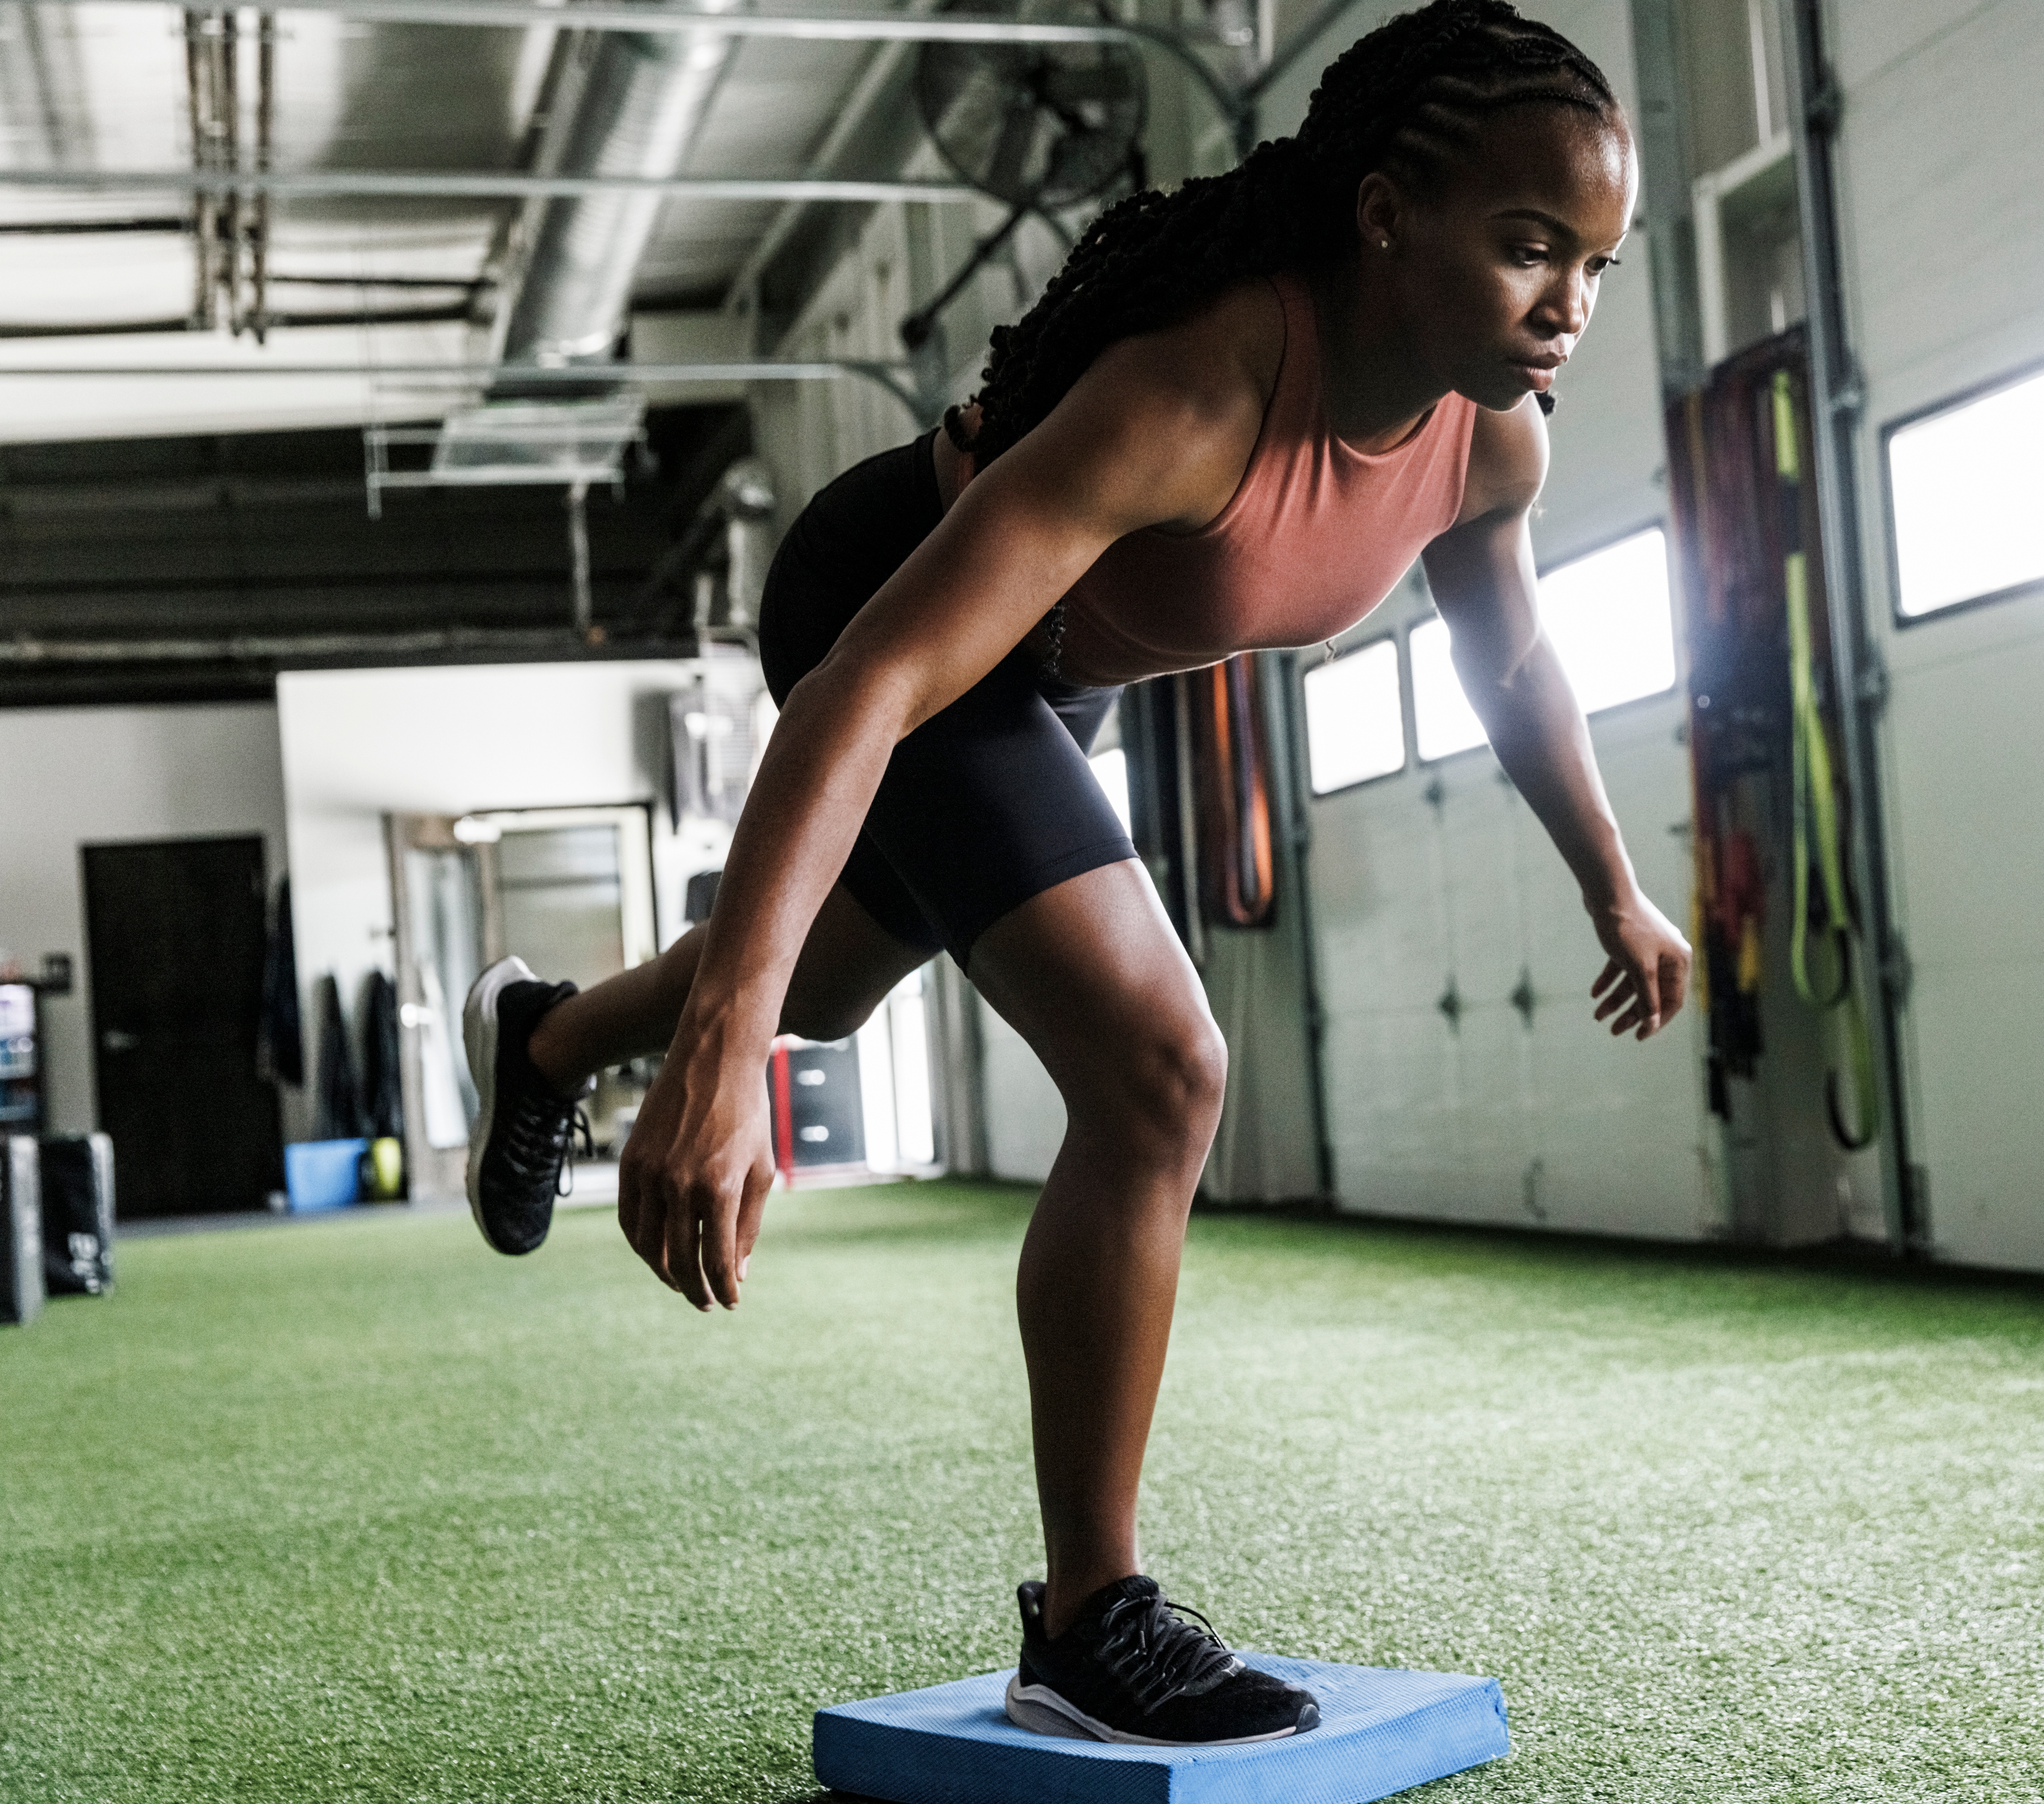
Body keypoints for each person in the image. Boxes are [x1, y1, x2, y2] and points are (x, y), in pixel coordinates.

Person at [459, 0, 1690, 1748]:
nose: (1567, 300)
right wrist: (722, 1057)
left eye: (1594, 262)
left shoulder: (1493, 440)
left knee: (815, 980)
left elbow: (1512, 668)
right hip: (885, 602)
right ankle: (1091, 1614)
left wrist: (1612, 888)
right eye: (1526, 247)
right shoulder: (1194, 392)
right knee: (1158, 1068)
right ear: (1385, 212)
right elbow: (873, 686)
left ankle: (549, 1038)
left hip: (1058, 678)